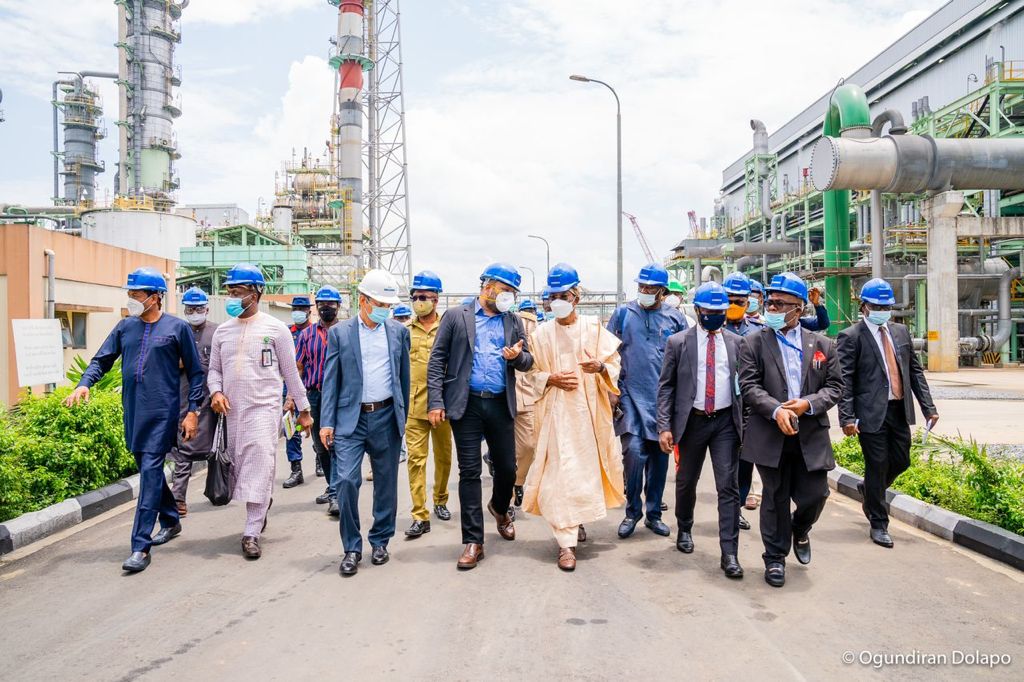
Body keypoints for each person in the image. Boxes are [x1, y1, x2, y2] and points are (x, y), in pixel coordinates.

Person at [64, 268, 204, 573]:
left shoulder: (177, 328)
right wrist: (84, 384)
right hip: (133, 412)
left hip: (163, 413)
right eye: (129, 294)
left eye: (136, 294)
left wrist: (193, 411)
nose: (131, 299)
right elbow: (102, 359)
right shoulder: (125, 327)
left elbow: (196, 373)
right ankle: (171, 519)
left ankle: (140, 546)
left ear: (155, 297)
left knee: (150, 470)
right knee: (149, 470)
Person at [738, 272, 843, 588]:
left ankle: (801, 528)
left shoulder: (823, 345)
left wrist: (807, 404)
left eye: (779, 303)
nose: (771, 308)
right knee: (775, 497)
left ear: (799, 309)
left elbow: (835, 387)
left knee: (816, 494)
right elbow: (749, 385)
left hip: (810, 433)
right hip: (770, 433)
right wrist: (776, 410)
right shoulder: (753, 342)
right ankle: (774, 558)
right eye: (770, 302)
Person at [427, 262, 534, 570]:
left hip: (500, 404)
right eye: (505, 290)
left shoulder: (512, 320)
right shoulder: (455, 317)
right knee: (470, 472)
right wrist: (436, 401)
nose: (509, 297)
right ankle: (473, 541)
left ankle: (500, 508)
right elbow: (437, 360)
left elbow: (528, 361)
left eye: (513, 292)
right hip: (467, 404)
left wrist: (517, 357)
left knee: (507, 469)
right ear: (488, 287)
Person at [207, 263, 312, 561]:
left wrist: (303, 409)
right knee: (237, 468)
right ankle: (262, 502)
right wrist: (216, 392)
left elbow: (291, 374)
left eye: (237, 291)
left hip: (263, 411)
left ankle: (251, 532)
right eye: (229, 291)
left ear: (255, 294)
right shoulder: (222, 332)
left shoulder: (276, 330)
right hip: (231, 414)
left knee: (259, 465)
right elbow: (214, 371)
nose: (231, 296)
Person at [523, 264, 624, 571]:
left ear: (576, 297)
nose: (558, 302)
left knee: (582, 476)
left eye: (563, 296)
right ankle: (565, 545)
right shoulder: (540, 334)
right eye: (552, 297)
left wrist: (600, 368)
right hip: (555, 417)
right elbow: (531, 374)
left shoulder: (594, 329)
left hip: (588, 418)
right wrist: (550, 378)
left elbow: (614, 365)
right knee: (559, 476)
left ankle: (574, 520)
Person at [320, 269, 410, 576]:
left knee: (386, 483)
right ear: (363, 301)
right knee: (346, 481)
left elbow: (403, 379)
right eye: (380, 304)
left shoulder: (398, 333)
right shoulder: (341, 333)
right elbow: (330, 380)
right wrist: (327, 422)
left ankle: (380, 540)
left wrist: (402, 416)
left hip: (385, 416)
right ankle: (352, 547)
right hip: (350, 419)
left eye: (388, 305)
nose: (385, 310)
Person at [837, 278, 938, 548]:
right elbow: (845, 380)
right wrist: (847, 417)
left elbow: (914, 371)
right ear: (864, 306)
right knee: (877, 463)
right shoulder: (851, 336)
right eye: (877, 306)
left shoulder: (900, 332)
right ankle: (879, 523)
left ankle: (870, 489)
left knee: (902, 461)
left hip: (898, 409)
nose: (882, 311)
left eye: (886, 307)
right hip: (869, 413)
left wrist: (929, 408)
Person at [658, 282, 744, 579]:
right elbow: (666, 387)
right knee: (686, 480)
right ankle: (684, 527)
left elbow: (745, 386)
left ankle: (729, 552)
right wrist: (664, 426)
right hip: (692, 422)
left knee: (728, 486)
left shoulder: (736, 343)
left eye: (720, 311)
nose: (715, 316)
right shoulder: (678, 342)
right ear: (697, 310)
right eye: (709, 311)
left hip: (725, 423)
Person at [607, 263, 688, 539]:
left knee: (659, 459)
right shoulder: (623, 314)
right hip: (629, 395)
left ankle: (654, 514)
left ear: (662, 292)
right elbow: (608, 354)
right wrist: (612, 391)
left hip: (663, 400)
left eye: (650, 288)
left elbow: (685, 362)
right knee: (633, 453)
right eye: (641, 286)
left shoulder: (675, 319)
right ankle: (632, 512)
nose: (644, 291)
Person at [403, 270, 454, 539]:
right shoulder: (404, 332)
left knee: (443, 457)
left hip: (442, 406)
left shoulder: (447, 328)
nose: (418, 301)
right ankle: (419, 515)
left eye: (424, 297)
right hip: (414, 407)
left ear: (436, 300)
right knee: (416, 460)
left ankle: (441, 500)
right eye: (415, 297)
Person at [168, 287, 220, 517]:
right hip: (185, 399)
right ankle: (178, 499)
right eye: (190, 309)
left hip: (213, 398)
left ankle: (217, 490)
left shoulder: (217, 333)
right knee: (185, 448)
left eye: (199, 309)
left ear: (207, 309)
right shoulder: (177, 332)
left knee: (216, 446)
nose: (195, 313)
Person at [294, 287, 343, 511]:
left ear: (338, 306)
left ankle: (336, 493)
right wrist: (293, 398)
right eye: (322, 304)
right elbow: (298, 368)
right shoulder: (306, 335)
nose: (326, 308)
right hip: (314, 396)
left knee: (336, 444)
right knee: (321, 445)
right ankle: (333, 487)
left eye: (330, 304)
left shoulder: (346, 333)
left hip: (340, 396)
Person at [512, 297, 541, 513]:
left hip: (528, 393)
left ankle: (517, 481)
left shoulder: (536, 327)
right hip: (501, 393)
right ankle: (505, 502)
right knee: (503, 451)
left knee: (529, 446)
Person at [285, 294, 317, 484]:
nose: (297, 312)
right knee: (292, 428)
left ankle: (320, 458)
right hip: (290, 388)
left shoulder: (316, 332)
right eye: (295, 309)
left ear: (308, 311)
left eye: (301, 309)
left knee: (315, 424)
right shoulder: (286, 332)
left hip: (311, 388)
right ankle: (296, 468)